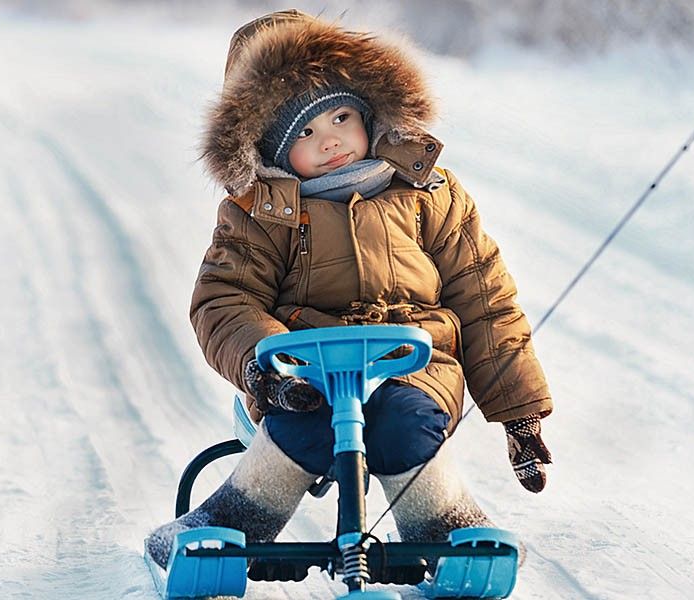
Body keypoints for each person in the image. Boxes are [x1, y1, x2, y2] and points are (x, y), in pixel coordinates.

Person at [145, 10, 554, 570]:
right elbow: (226, 300)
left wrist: (519, 413)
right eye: (305, 132)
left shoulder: (426, 193)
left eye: (340, 116)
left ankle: (447, 525)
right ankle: (233, 519)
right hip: (305, 371)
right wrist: (266, 365)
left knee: (405, 423)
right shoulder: (262, 216)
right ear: (267, 147)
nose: (331, 140)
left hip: (412, 362)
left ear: (369, 110)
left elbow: (483, 297)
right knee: (303, 425)